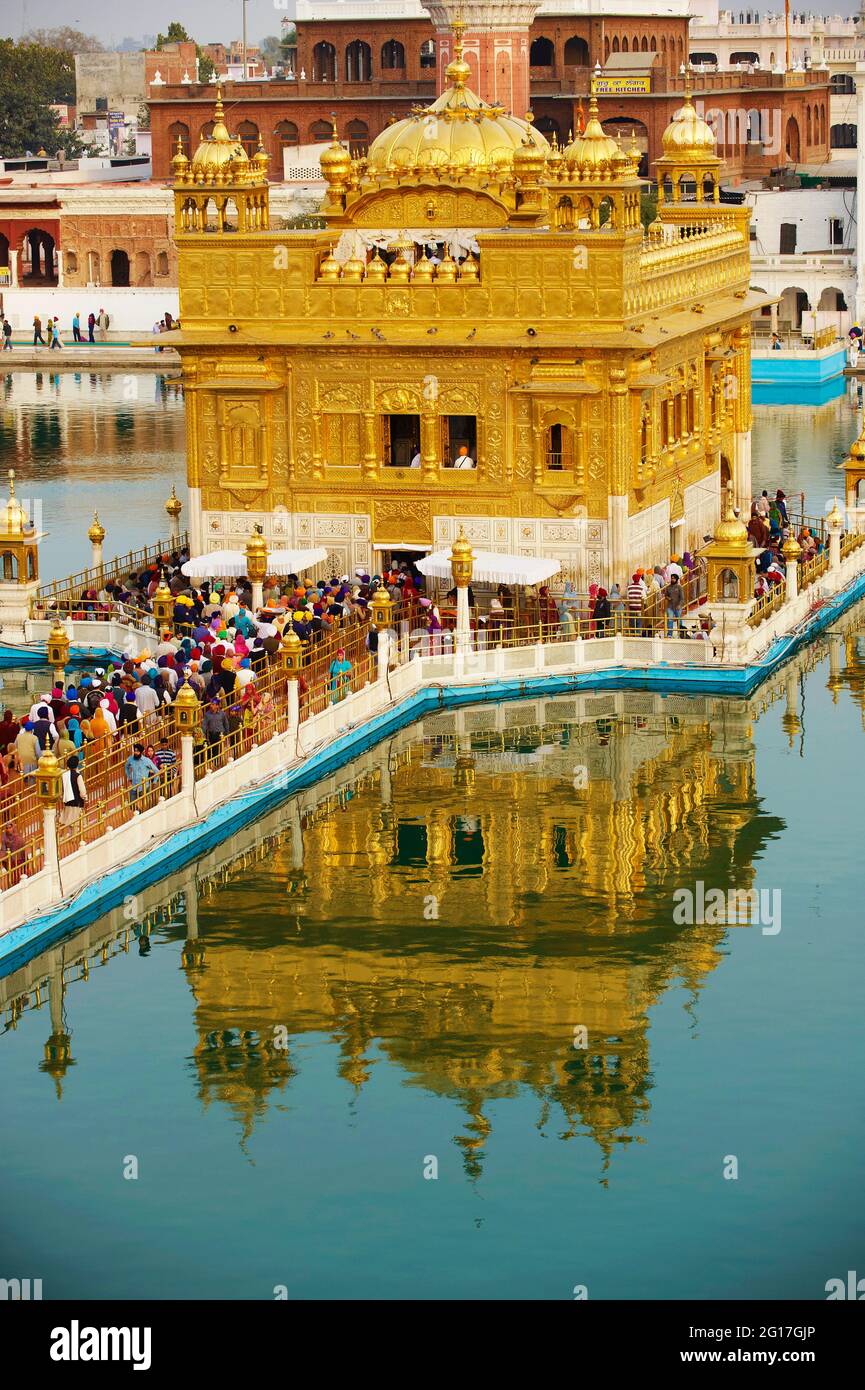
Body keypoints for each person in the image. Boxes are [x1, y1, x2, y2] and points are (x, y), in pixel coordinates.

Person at [60, 754, 87, 829]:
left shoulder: (64, 775)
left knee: (67, 823)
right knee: (76, 823)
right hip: (77, 803)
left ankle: (66, 839)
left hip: (67, 802)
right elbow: (82, 792)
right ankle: (74, 840)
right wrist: (85, 797)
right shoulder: (78, 776)